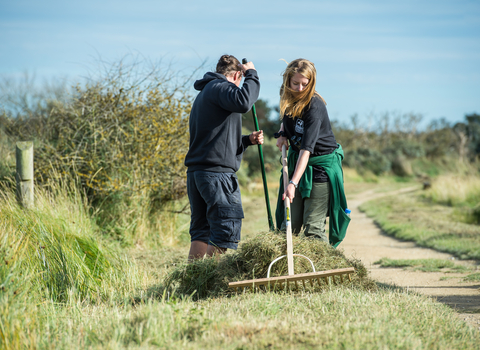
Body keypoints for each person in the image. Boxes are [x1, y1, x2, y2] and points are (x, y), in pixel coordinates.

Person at [184, 54, 263, 260]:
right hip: (216, 176)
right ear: (238, 75)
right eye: (241, 79)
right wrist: (252, 75)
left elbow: (216, 137)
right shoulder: (221, 88)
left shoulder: (206, 93)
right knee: (224, 230)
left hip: (198, 173)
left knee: (203, 231)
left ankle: (193, 282)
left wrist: (246, 141)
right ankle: (209, 281)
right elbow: (245, 101)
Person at [274, 58, 349, 248]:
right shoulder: (286, 96)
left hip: (320, 166)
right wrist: (283, 133)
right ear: (287, 81)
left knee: (313, 229)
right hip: (300, 163)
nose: (299, 89)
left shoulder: (315, 106)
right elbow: (287, 117)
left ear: (311, 83)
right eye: (295, 83)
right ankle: (285, 272)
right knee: (289, 227)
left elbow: (306, 150)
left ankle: (322, 270)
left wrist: (292, 183)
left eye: (304, 84)